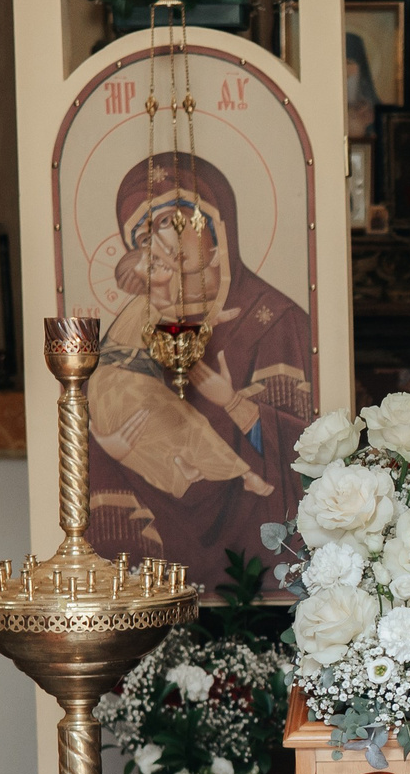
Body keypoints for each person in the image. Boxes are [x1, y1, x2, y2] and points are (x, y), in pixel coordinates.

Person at [89, 152, 313, 586]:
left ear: (215, 226)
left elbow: (306, 451)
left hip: (257, 557)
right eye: (145, 234)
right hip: (159, 550)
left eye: (173, 223)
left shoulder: (274, 320)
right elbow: (103, 402)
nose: (162, 244)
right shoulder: (138, 321)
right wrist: (107, 448)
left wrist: (232, 403)